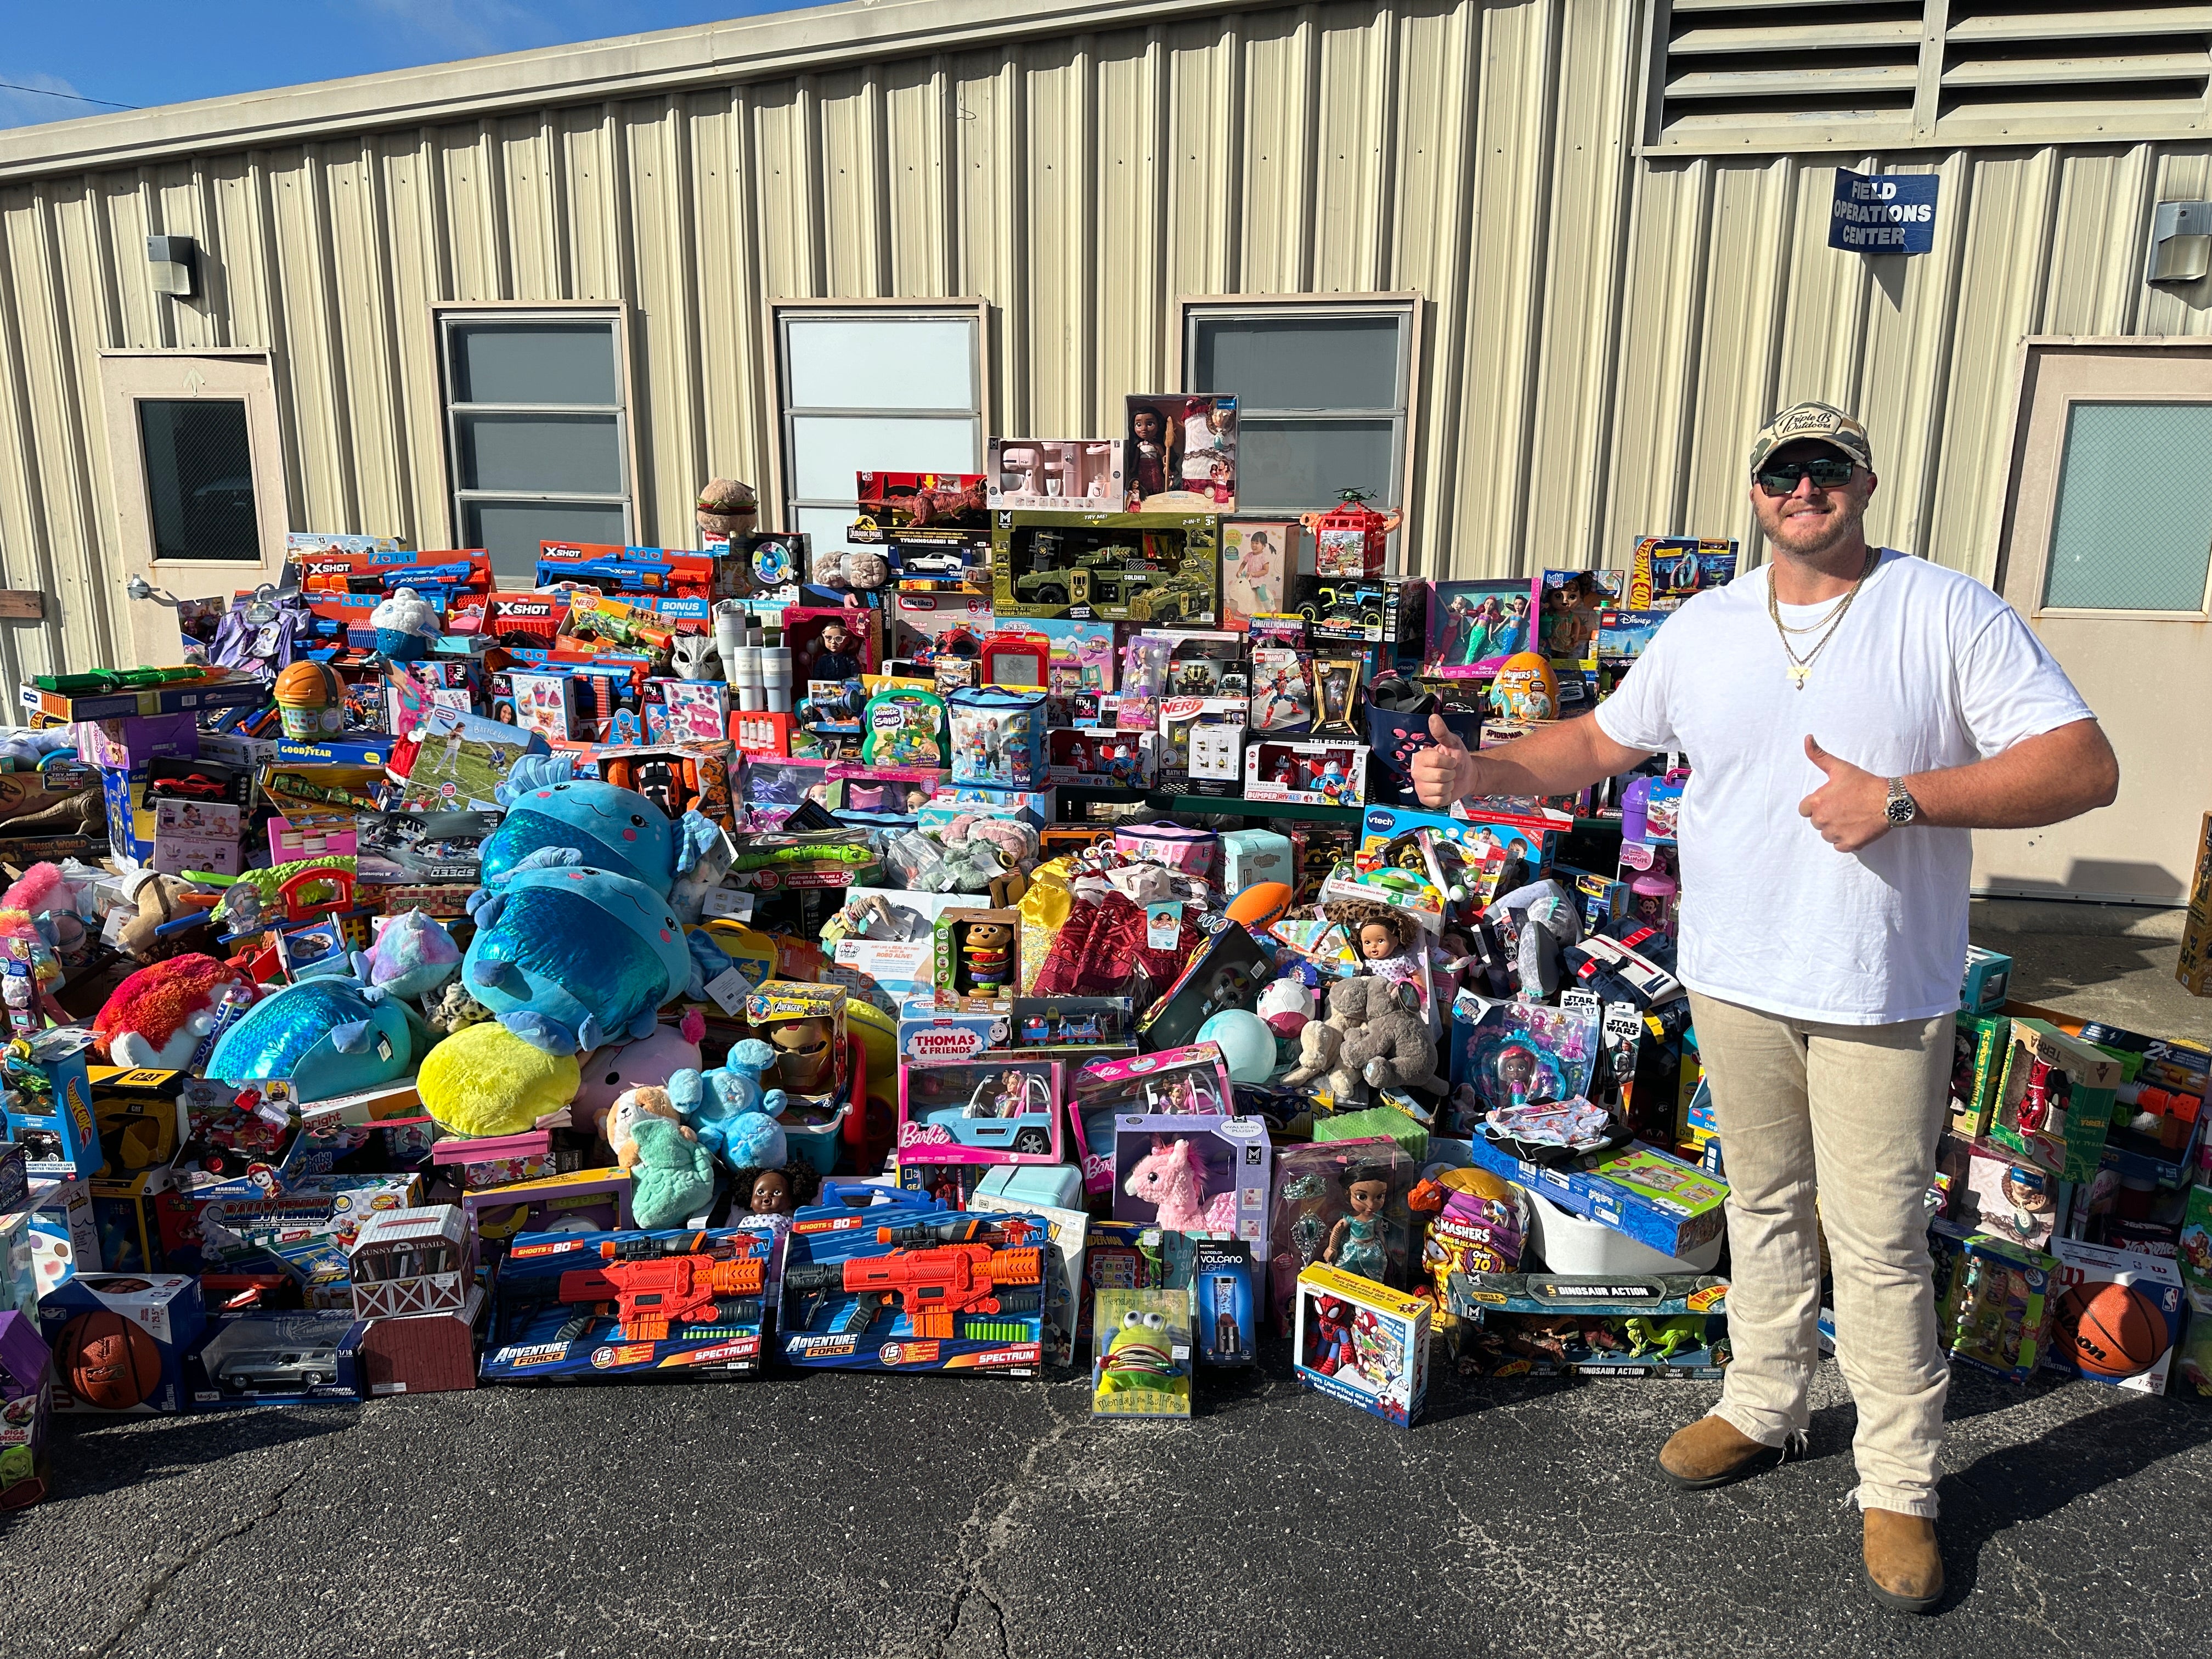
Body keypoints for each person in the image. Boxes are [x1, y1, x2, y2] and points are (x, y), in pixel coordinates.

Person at [1410, 400, 2117, 1616]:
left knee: (1882, 1239)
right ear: (1755, 493)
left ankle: (1899, 1482)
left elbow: (2083, 766)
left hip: (1878, 990)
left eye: (1828, 467)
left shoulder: (1944, 611)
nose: (1806, 488)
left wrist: (1903, 800)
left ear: (1866, 480)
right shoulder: (1707, 625)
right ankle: (1763, 1401)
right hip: (1735, 978)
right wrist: (1483, 773)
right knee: (1764, 1203)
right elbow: (1595, 743)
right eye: (1784, 471)